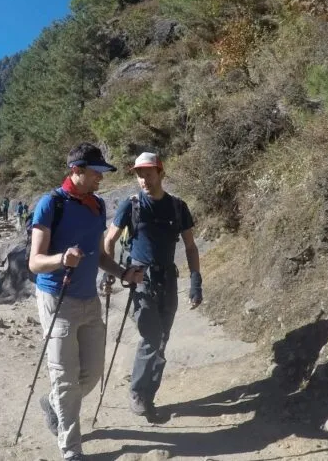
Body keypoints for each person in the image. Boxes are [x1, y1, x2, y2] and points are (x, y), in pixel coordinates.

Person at [29, 142, 143, 461]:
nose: (101, 178)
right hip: (57, 298)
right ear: (77, 171)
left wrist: (123, 272)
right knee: (65, 377)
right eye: (97, 172)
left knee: (92, 373)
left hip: (89, 299)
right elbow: (35, 262)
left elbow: (101, 256)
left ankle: (53, 404)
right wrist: (61, 259)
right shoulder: (51, 204)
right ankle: (71, 449)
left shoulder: (97, 205)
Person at [103, 152, 202, 421]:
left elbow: (190, 247)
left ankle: (149, 395)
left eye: (148, 172)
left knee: (162, 340)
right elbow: (109, 240)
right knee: (151, 336)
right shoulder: (131, 205)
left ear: (160, 173)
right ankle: (137, 391)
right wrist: (111, 273)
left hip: (168, 280)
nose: (143, 178)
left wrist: (195, 280)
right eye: (138, 174)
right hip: (140, 279)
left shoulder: (178, 207)